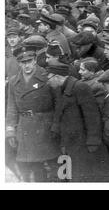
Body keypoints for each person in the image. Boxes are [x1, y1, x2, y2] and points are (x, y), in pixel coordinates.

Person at [46, 63, 109, 182]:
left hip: (84, 142)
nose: (47, 82)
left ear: (57, 76)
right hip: (73, 141)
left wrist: (93, 141)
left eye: (48, 78)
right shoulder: (61, 88)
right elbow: (59, 111)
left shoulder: (80, 87)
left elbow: (92, 116)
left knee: (91, 176)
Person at [6, 46, 61, 182]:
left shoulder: (47, 76)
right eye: (23, 62)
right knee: (34, 166)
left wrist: (56, 125)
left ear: (35, 60)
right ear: (19, 63)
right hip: (25, 127)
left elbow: (59, 104)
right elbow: (11, 107)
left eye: (29, 61)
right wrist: (10, 130)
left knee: (54, 163)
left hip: (45, 127)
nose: (26, 65)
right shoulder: (14, 81)